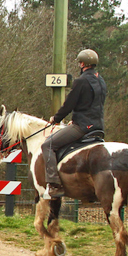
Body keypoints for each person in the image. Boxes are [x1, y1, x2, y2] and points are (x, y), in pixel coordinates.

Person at [43, 49, 107, 198]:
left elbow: (69, 105)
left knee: (48, 145)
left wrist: (56, 119)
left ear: (83, 63)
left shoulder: (81, 81)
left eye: (80, 62)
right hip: (98, 126)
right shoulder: (101, 81)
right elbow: (92, 105)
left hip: (83, 127)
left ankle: (54, 185)